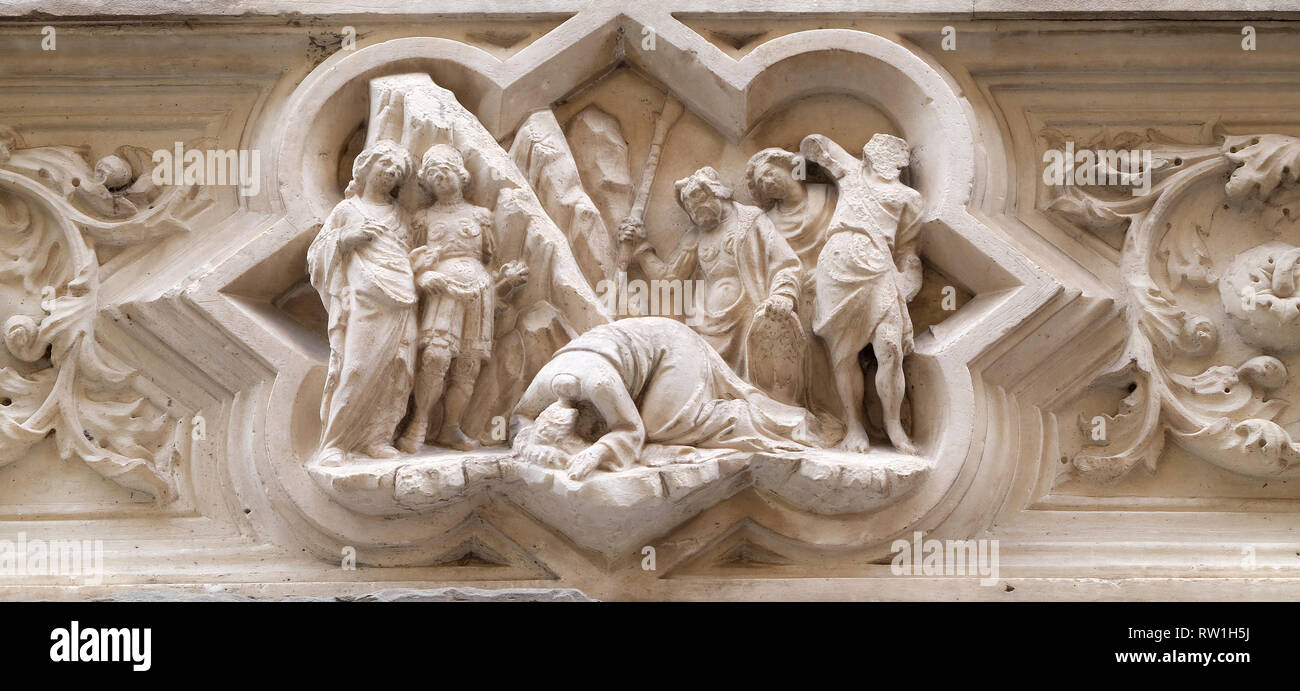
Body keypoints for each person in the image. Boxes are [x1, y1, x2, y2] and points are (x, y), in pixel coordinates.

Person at [511, 317, 828, 480]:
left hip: (672, 347)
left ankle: (783, 423)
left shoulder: (599, 385)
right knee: (656, 426)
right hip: (643, 355)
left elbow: (630, 430)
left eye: (587, 435)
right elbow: (521, 418)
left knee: (662, 427)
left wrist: (595, 454)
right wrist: (529, 442)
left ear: (583, 420)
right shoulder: (546, 385)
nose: (593, 436)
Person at [397, 144, 527, 452]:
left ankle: (450, 427)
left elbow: (488, 260)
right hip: (443, 292)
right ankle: (418, 423)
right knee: (435, 357)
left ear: (461, 174)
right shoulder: (423, 219)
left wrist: (503, 283)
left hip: (479, 291)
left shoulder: (481, 216)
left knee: (468, 364)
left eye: (446, 169)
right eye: (432, 173)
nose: (440, 176)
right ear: (425, 182)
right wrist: (422, 277)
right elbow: (410, 261)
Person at [800, 133, 924, 454]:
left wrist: (909, 281)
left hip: (879, 266)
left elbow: (908, 250)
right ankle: (854, 427)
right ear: (869, 153)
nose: (887, 157)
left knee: (890, 349)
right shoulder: (851, 173)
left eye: (895, 155)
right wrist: (825, 158)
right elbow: (814, 144)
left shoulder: (909, 198)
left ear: (901, 162)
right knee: (844, 355)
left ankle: (894, 427)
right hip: (838, 265)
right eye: (880, 149)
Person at [619, 167, 800, 380]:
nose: (694, 209)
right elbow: (670, 278)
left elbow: (785, 262)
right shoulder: (695, 236)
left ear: (716, 192)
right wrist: (641, 248)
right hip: (708, 323)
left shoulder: (750, 220)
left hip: (750, 317)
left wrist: (783, 295)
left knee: (757, 382)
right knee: (706, 380)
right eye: (689, 206)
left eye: (698, 199)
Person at [307, 140, 417, 464]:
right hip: (365, 298)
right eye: (386, 165)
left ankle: (377, 437)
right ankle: (335, 442)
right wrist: (346, 238)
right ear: (367, 168)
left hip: (403, 297)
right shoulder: (347, 211)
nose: (391, 173)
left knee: (397, 370)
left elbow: (408, 253)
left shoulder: (401, 216)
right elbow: (317, 255)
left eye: (397, 170)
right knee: (356, 368)